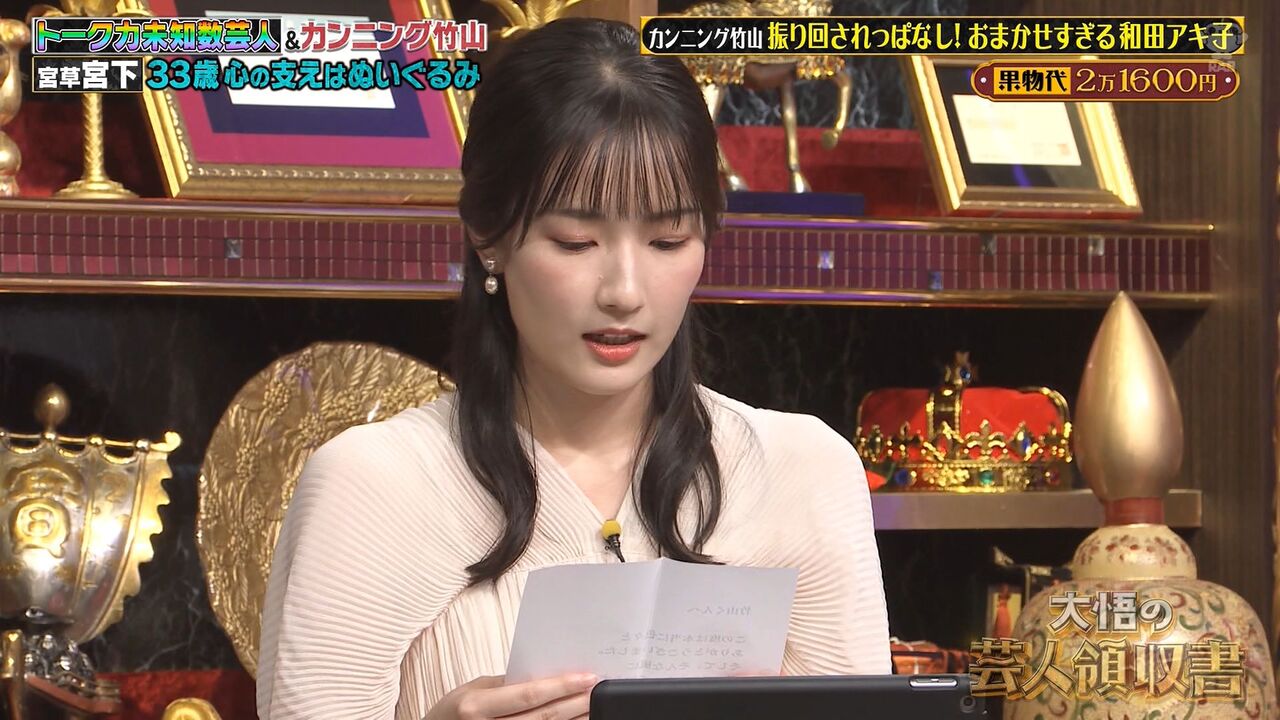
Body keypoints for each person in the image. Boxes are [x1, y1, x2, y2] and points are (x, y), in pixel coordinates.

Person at [256, 17, 889, 720]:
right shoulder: (372, 487)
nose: (625, 291)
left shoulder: (803, 472)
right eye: (576, 240)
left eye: (668, 239)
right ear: (489, 236)